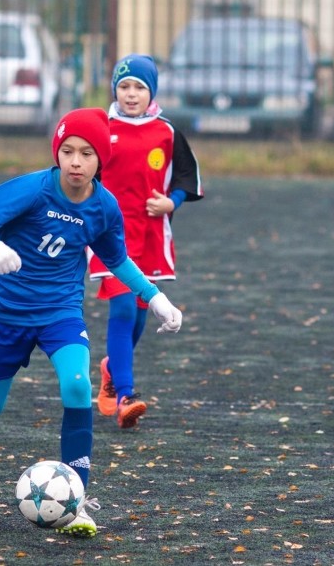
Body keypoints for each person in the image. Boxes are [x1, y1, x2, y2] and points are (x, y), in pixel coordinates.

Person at [0, 108, 184, 538]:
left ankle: (77, 502)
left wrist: (156, 296)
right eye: (68, 151)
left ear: (100, 161)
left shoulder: (103, 206)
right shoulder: (33, 190)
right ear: (57, 153)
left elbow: (117, 260)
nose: (76, 161)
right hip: (6, 313)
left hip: (60, 312)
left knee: (77, 386)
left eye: (87, 153)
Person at [89, 54, 203, 429]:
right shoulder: (101, 129)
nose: (131, 94)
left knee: (139, 317)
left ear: (151, 90)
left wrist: (173, 201)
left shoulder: (167, 132)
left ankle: (111, 369)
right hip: (109, 238)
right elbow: (77, 175)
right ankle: (125, 396)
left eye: (139, 87)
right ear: (114, 90)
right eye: (124, 86)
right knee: (122, 310)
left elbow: (187, 179)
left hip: (151, 237)